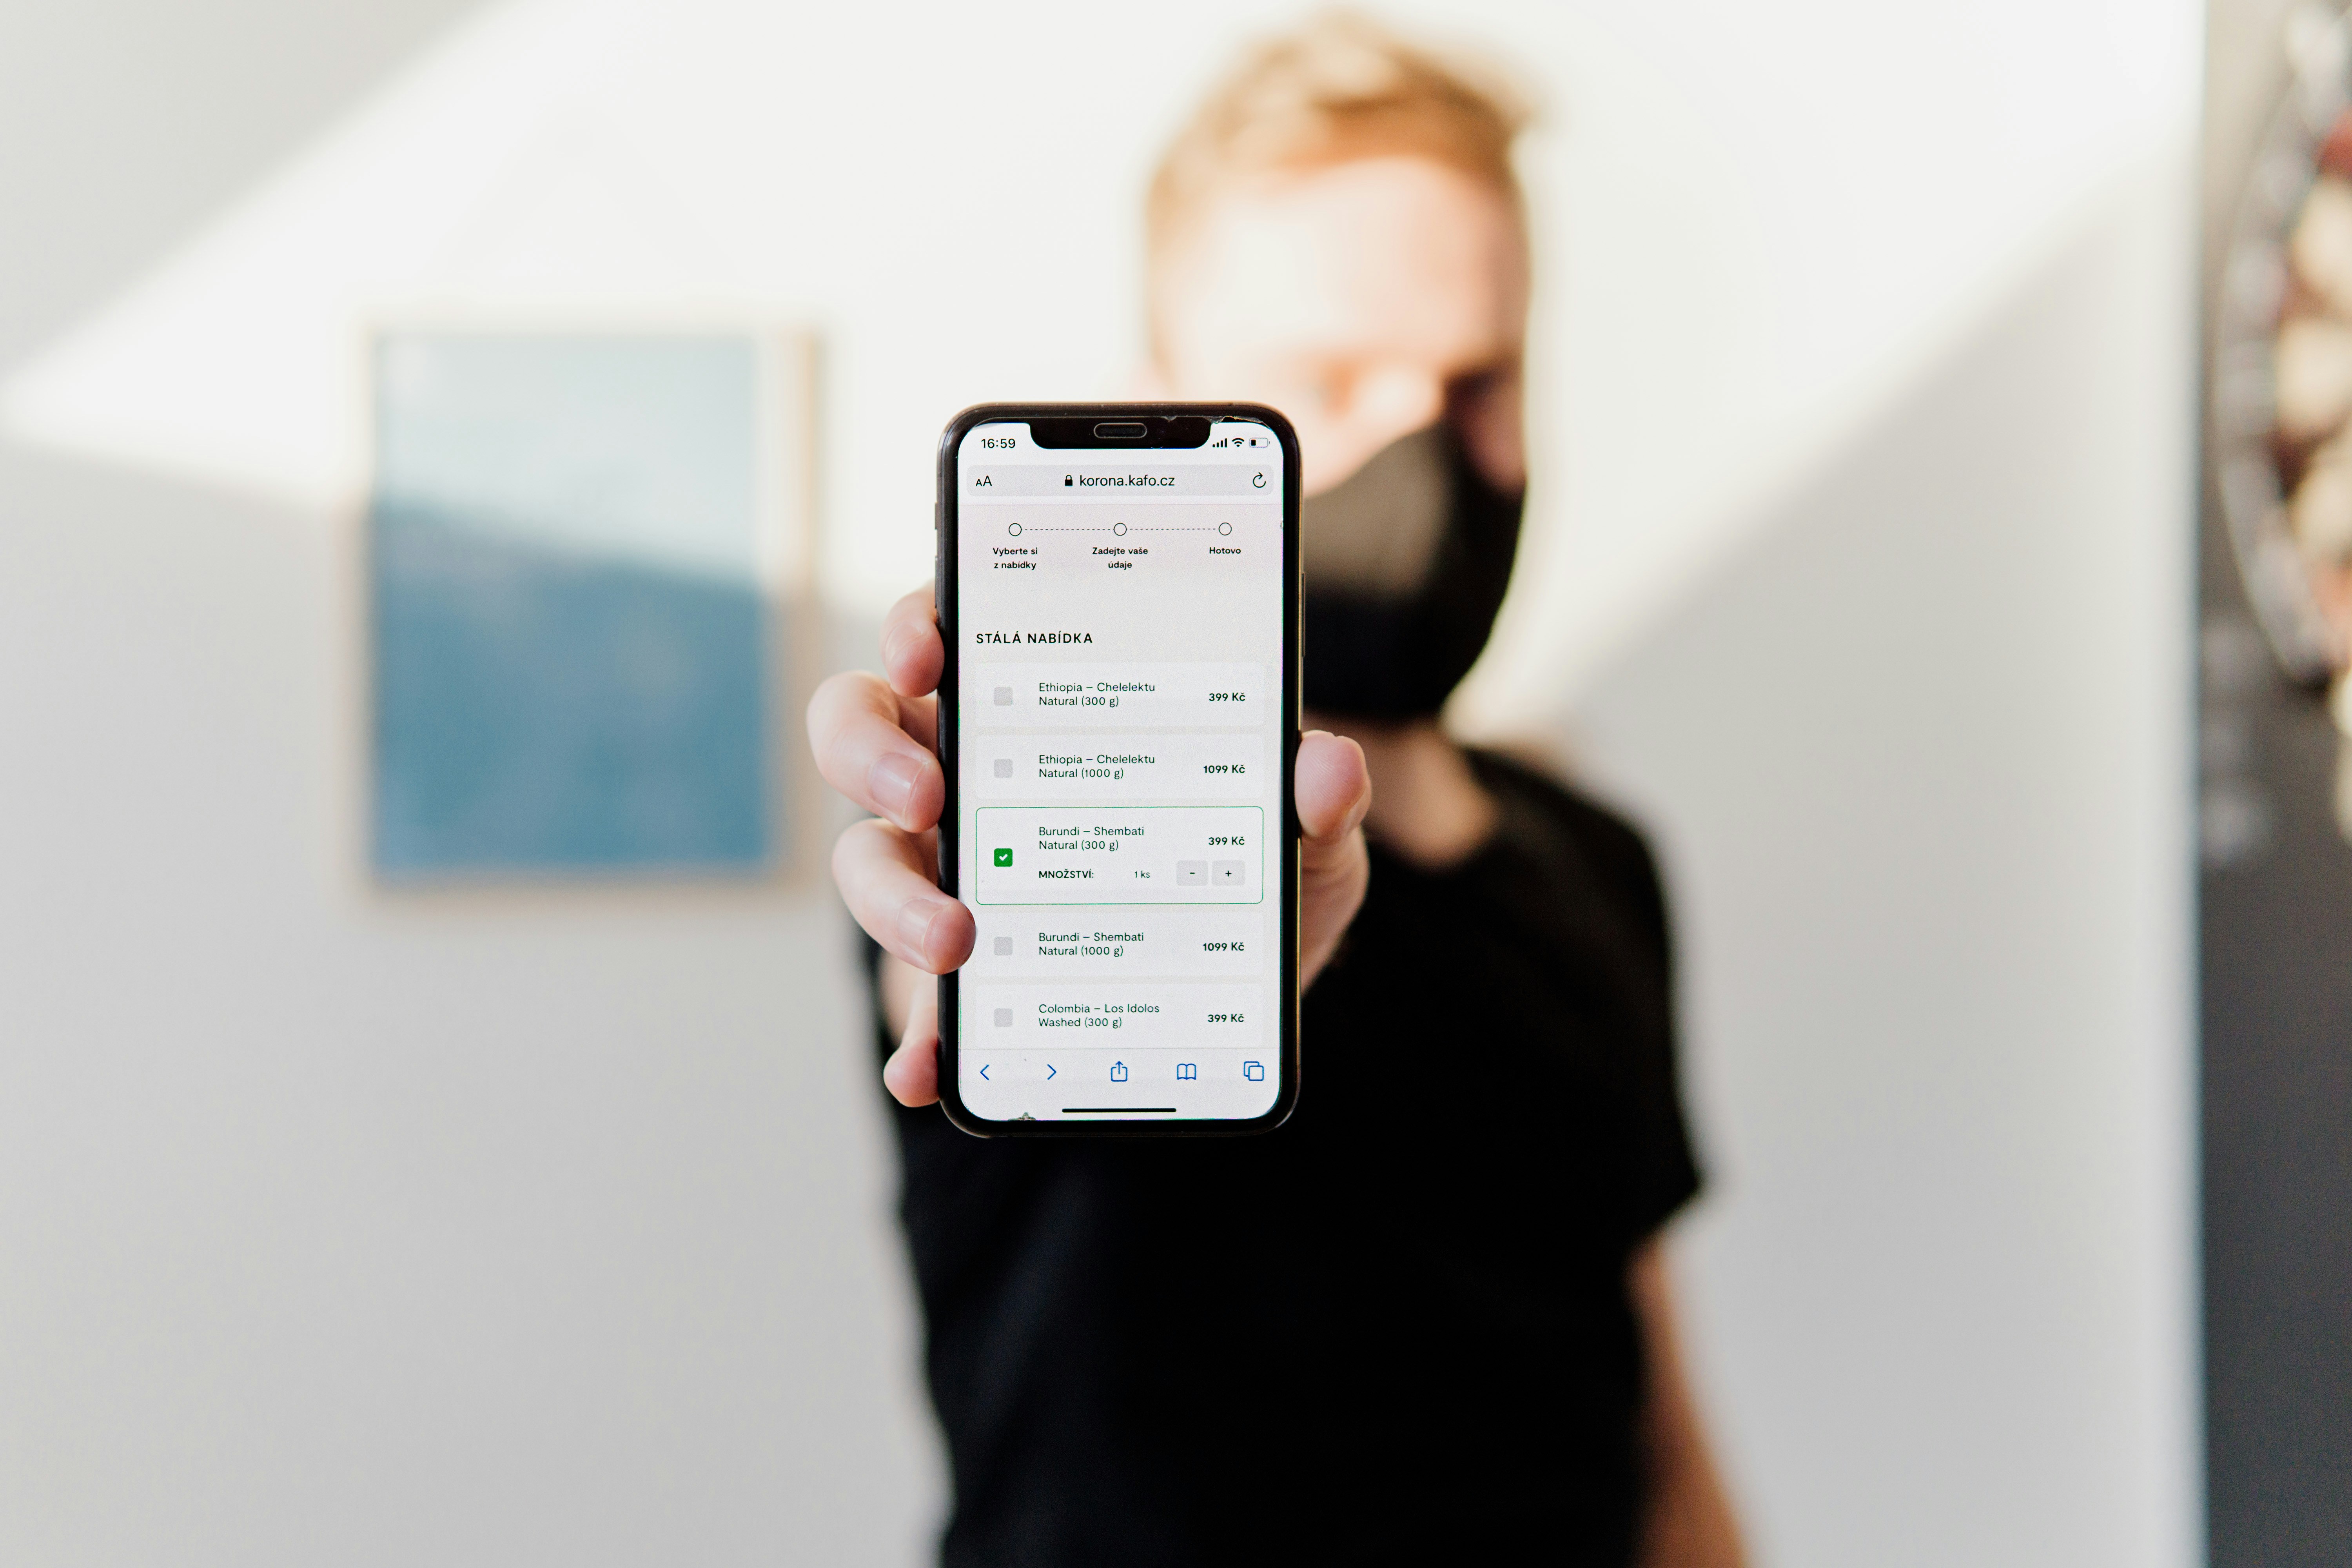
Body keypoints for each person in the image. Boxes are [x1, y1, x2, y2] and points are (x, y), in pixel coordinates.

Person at [808, 15, 1744, 1566]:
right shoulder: (1014, 836)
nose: (1418, 445)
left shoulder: (1599, 861)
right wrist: (1075, 880)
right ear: (1157, 402)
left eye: (1476, 380)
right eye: (1328, 379)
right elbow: (984, 986)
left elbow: (1660, 1440)